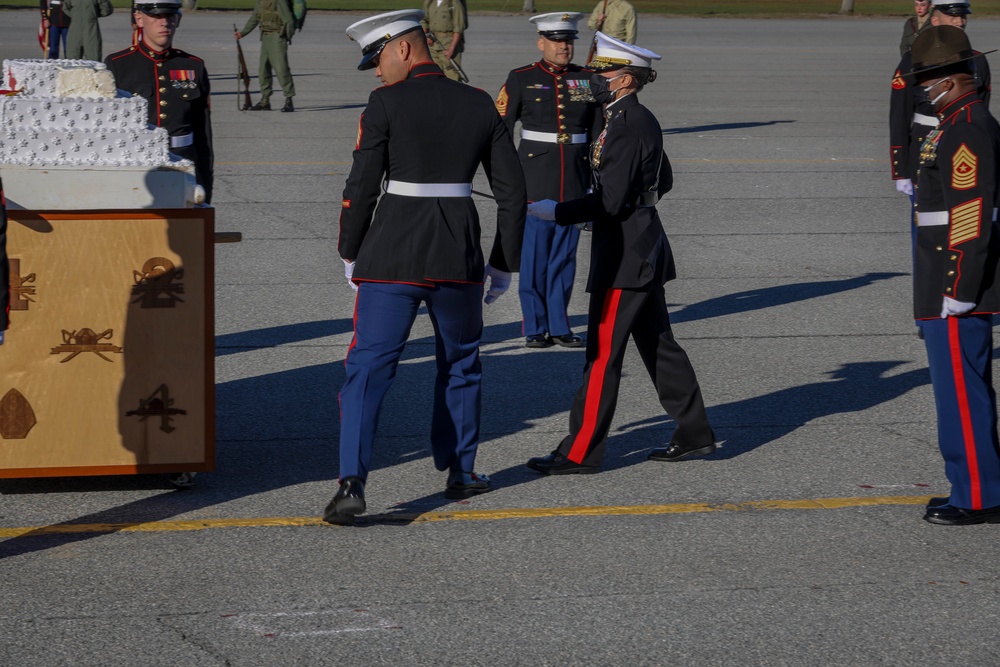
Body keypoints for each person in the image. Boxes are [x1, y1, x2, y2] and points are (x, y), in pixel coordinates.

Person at [325, 10, 526, 525]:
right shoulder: (479, 103)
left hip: (390, 257)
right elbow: (512, 193)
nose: (375, 71)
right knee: (461, 365)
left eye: (378, 59)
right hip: (457, 257)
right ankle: (461, 472)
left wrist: (351, 251)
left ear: (404, 50)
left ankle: (351, 483)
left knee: (368, 368)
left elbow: (362, 187)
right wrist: (502, 264)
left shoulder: (385, 103)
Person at [524, 32, 715, 475]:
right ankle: (695, 433)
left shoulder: (626, 124)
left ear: (626, 79)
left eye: (603, 71)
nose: (594, 77)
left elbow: (610, 201)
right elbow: (661, 181)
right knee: (658, 345)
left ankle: (581, 451)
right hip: (641, 244)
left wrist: (560, 212)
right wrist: (636, 204)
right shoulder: (629, 118)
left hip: (626, 256)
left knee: (602, 355)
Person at [907, 26, 1000, 525]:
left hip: (954, 282)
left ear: (955, 77)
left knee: (962, 395)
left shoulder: (965, 127)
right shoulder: (956, 121)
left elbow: (970, 212)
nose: (924, 87)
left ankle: (979, 496)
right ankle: (972, 485)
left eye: (930, 77)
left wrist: (958, 289)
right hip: (942, 277)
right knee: (959, 392)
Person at [496, 12, 602, 349]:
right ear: (541, 42)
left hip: (574, 180)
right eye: (557, 41)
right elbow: (500, 132)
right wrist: (509, 181)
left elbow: (597, 132)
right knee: (534, 259)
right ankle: (535, 327)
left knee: (564, 259)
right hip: (534, 181)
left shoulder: (585, 80)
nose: (564, 48)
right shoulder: (521, 78)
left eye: (569, 41)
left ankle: (559, 325)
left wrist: (595, 181)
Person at [889, 0, 989, 337]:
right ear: (935, 18)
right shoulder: (912, 60)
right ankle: (927, 309)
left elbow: (979, 112)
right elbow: (898, 115)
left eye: (962, 16)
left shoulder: (976, 60)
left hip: (961, 148)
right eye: (952, 14)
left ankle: (960, 293)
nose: (959, 21)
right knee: (927, 234)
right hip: (924, 150)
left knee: (962, 226)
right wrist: (900, 168)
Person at [105, 0, 214, 204]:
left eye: (170, 16)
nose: (164, 22)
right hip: (138, 167)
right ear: (139, 19)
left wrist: (205, 182)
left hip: (184, 166)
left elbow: (203, 135)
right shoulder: (119, 65)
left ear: (178, 20)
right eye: (156, 16)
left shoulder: (193, 66)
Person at [235, 0, 297, 112]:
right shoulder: (261, 1)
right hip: (265, 37)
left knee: (281, 69)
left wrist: (285, 37)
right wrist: (243, 33)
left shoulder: (279, 1)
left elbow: (288, 21)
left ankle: (289, 99)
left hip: (277, 37)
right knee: (263, 70)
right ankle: (265, 100)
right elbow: (255, 17)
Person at [421, 0, 467, 82]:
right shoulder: (430, 2)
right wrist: (426, 36)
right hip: (433, 45)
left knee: (452, 77)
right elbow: (424, 20)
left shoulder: (454, 3)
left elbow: (458, 28)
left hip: (448, 43)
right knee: (434, 75)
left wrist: (451, 49)